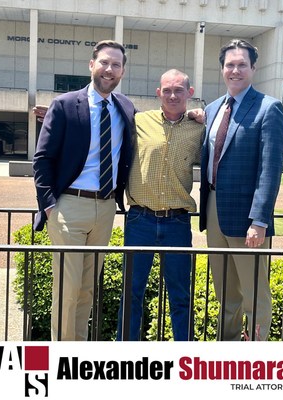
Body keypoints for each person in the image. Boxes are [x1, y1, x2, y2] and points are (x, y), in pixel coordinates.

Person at [33, 40, 136, 341]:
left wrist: (198, 116)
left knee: (87, 287)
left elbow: (156, 125)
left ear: (122, 72)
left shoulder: (126, 108)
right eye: (104, 62)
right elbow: (42, 159)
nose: (109, 69)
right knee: (68, 288)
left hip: (104, 209)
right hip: (69, 206)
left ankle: (77, 352)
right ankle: (61, 358)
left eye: (116, 65)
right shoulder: (65, 105)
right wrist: (50, 205)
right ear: (91, 65)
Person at [199, 39, 283, 341]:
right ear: (222, 68)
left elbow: (270, 170)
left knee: (254, 294)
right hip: (213, 212)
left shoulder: (268, 108)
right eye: (229, 65)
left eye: (241, 65)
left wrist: (260, 221)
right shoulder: (212, 109)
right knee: (225, 291)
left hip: (248, 220)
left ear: (253, 68)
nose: (234, 70)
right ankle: (228, 351)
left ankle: (257, 355)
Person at [117, 69, 205, 341]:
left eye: (179, 90)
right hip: (139, 221)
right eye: (167, 90)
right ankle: (125, 357)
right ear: (158, 93)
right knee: (131, 293)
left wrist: (203, 114)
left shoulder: (199, 128)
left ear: (189, 93)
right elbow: (97, 124)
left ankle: (185, 359)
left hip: (177, 223)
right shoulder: (138, 121)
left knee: (180, 296)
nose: (172, 95)